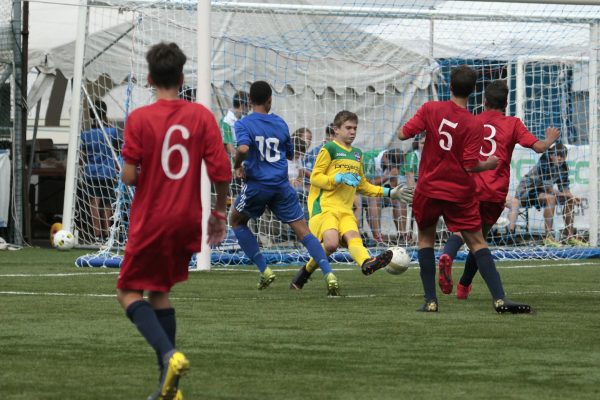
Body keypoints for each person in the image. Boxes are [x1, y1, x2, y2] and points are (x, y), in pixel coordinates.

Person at [118, 42, 232, 400]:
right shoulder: (201, 116)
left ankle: (168, 356)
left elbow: (129, 175)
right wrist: (219, 211)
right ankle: (169, 388)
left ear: (150, 78)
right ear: (182, 78)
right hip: (187, 218)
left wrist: (142, 169)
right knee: (159, 292)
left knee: (127, 290)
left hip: (152, 217)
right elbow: (221, 171)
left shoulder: (139, 118)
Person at [397, 65, 531, 314]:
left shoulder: (431, 109)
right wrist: (489, 164)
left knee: (425, 240)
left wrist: (423, 132)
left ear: (449, 86)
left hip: (429, 189)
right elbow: (470, 166)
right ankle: (499, 299)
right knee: (478, 242)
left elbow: (403, 134)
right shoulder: (473, 124)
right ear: (473, 92)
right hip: (459, 192)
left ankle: (430, 301)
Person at [435, 80, 560, 300]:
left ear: (484, 102)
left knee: (463, 232)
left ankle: (447, 254)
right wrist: (550, 139)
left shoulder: (472, 120)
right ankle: (464, 286)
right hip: (494, 191)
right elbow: (539, 147)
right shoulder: (512, 123)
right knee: (480, 239)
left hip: (470, 187)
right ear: (506, 103)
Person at [228, 80, 341, 296]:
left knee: (236, 221)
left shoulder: (243, 123)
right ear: (270, 101)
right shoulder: (280, 123)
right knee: (302, 230)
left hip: (258, 186)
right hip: (281, 186)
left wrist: (237, 165)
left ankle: (265, 270)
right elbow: (290, 154)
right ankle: (329, 273)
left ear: (250, 101)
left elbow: (242, 147)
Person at [289, 110, 413, 290]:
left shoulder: (357, 154)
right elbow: (315, 178)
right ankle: (305, 273)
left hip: (345, 210)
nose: (352, 132)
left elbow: (363, 185)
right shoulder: (329, 149)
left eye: (355, 128)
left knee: (354, 238)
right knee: (330, 244)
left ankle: (367, 263)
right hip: (325, 207)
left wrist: (390, 192)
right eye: (348, 128)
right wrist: (337, 178)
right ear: (336, 130)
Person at [514, 143, 587, 247]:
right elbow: (548, 189)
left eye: (562, 156)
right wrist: (568, 196)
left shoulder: (564, 167)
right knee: (550, 198)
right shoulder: (544, 163)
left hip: (541, 192)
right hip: (526, 191)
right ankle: (548, 237)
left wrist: (572, 197)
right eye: (557, 155)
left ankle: (569, 236)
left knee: (569, 200)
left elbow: (565, 189)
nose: (560, 158)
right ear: (552, 155)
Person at [80, 100, 119, 243]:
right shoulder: (112, 132)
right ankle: (107, 234)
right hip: (108, 172)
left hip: (91, 172)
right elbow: (117, 151)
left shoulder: (86, 134)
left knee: (94, 203)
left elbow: (82, 156)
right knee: (108, 203)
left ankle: (97, 236)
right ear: (105, 112)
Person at [365, 148, 410, 244]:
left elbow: (394, 186)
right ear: (385, 157)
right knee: (375, 197)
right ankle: (378, 237)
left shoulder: (395, 160)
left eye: (397, 167)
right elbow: (368, 185)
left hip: (379, 191)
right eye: (393, 166)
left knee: (400, 198)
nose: (395, 168)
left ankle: (402, 236)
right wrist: (388, 175)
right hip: (359, 192)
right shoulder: (370, 158)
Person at [220, 90, 250, 161]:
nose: (249, 109)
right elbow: (228, 146)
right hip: (233, 165)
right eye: (249, 106)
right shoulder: (226, 121)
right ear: (242, 106)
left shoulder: (245, 120)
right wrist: (240, 163)